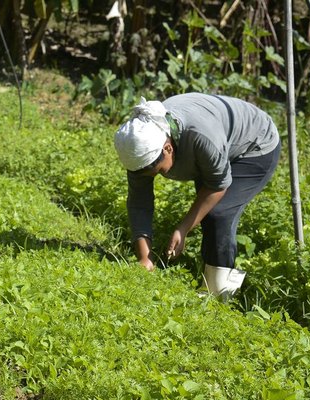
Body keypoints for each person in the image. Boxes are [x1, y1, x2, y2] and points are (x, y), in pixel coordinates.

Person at [113, 93, 280, 299]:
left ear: (168, 148)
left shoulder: (200, 136)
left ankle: (218, 293)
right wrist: (145, 258)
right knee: (207, 212)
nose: (156, 176)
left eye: (158, 170)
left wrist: (183, 228)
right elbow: (139, 202)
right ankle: (209, 278)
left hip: (255, 145)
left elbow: (218, 185)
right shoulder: (139, 149)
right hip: (217, 144)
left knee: (218, 213)